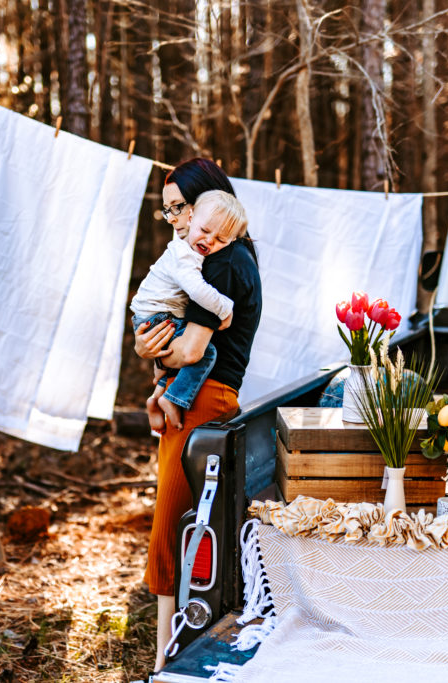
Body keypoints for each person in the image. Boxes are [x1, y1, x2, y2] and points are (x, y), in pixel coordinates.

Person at [133, 158, 262, 672]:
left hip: (206, 399)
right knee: (177, 523)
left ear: (209, 203)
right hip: (198, 399)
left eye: (181, 209)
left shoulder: (224, 263)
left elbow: (190, 351)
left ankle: (168, 660)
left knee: (173, 527)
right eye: (168, 213)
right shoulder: (214, 259)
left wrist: (151, 354)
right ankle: (168, 652)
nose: (178, 223)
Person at [130, 190, 248, 432]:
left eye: (221, 240)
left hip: (157, 314)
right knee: (207, 353)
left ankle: (157, 397)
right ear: (192, 217)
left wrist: (156, 358)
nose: (209, 241)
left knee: (182, 354)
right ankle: (171, 399)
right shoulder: (182, 254)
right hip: (157, 316)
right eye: (205, 231)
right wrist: (225, 309)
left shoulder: (199, 253)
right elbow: (197, 290)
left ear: (232, 242)